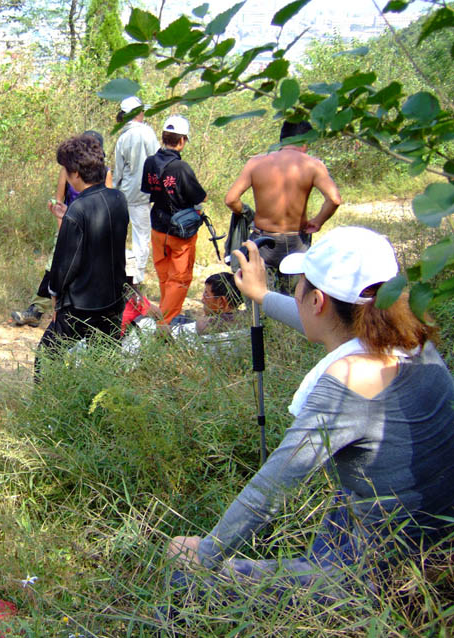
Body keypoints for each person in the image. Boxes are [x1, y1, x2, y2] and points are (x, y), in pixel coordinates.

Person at [166, 226, 454, 605]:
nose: (297, 292)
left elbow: (270, 490)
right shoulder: (410, 338)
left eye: (300, 285)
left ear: (317, 300)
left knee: (181, 566)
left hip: (380, 573)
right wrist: (262, 296)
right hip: (431, 535)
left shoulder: (350, 380)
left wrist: (205, 554)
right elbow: (323, 322)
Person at [35, 134, 129, 377]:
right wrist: (68, 215)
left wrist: (55, 294)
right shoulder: (118, 199)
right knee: (105, 361)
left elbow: (65, 264)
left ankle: (47, 398)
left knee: (46, 356)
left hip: (81, 304)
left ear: (75, 173)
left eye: (66, 172)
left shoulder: (79, 209)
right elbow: (102, 235)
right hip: (113, 298)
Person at [224, 120, 342, 292]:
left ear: (282, 139)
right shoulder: (313, 165)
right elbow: (334, 199)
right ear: (304, 140)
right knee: (296, 298)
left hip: (263, 240)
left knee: (261, 297)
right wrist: (317, 222)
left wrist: (247, 214)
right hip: (296, 240)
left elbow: (231, 199)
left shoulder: (256, 163)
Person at [12, 130, 114, 328]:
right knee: (54, 266)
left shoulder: (105, 173)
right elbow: (59, 198)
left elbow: (106, 204)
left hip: (92, 230)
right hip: (68, 222)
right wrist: (63, 228)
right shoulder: (68, 170)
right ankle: (37, 309)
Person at [141, 115, 207, 324]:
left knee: (164, 275)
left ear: (164, 137)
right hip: (180, 232)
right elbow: (200, 196)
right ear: (181, 140)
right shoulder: (181, 168)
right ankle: (164, 324)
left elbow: (148, 190)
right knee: (179, 279)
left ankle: (164, 314)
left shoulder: (150, 162)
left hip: (158, 228)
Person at [114, 96, 159, 286]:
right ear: (137, 113)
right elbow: (157, 161)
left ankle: (120, 275)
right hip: (143, 194)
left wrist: (113, 191)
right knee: (141, 237)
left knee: (119, 235)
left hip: (124, 193)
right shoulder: (147, 133)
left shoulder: (123, 137)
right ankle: (136, 279)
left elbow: (118, 171)